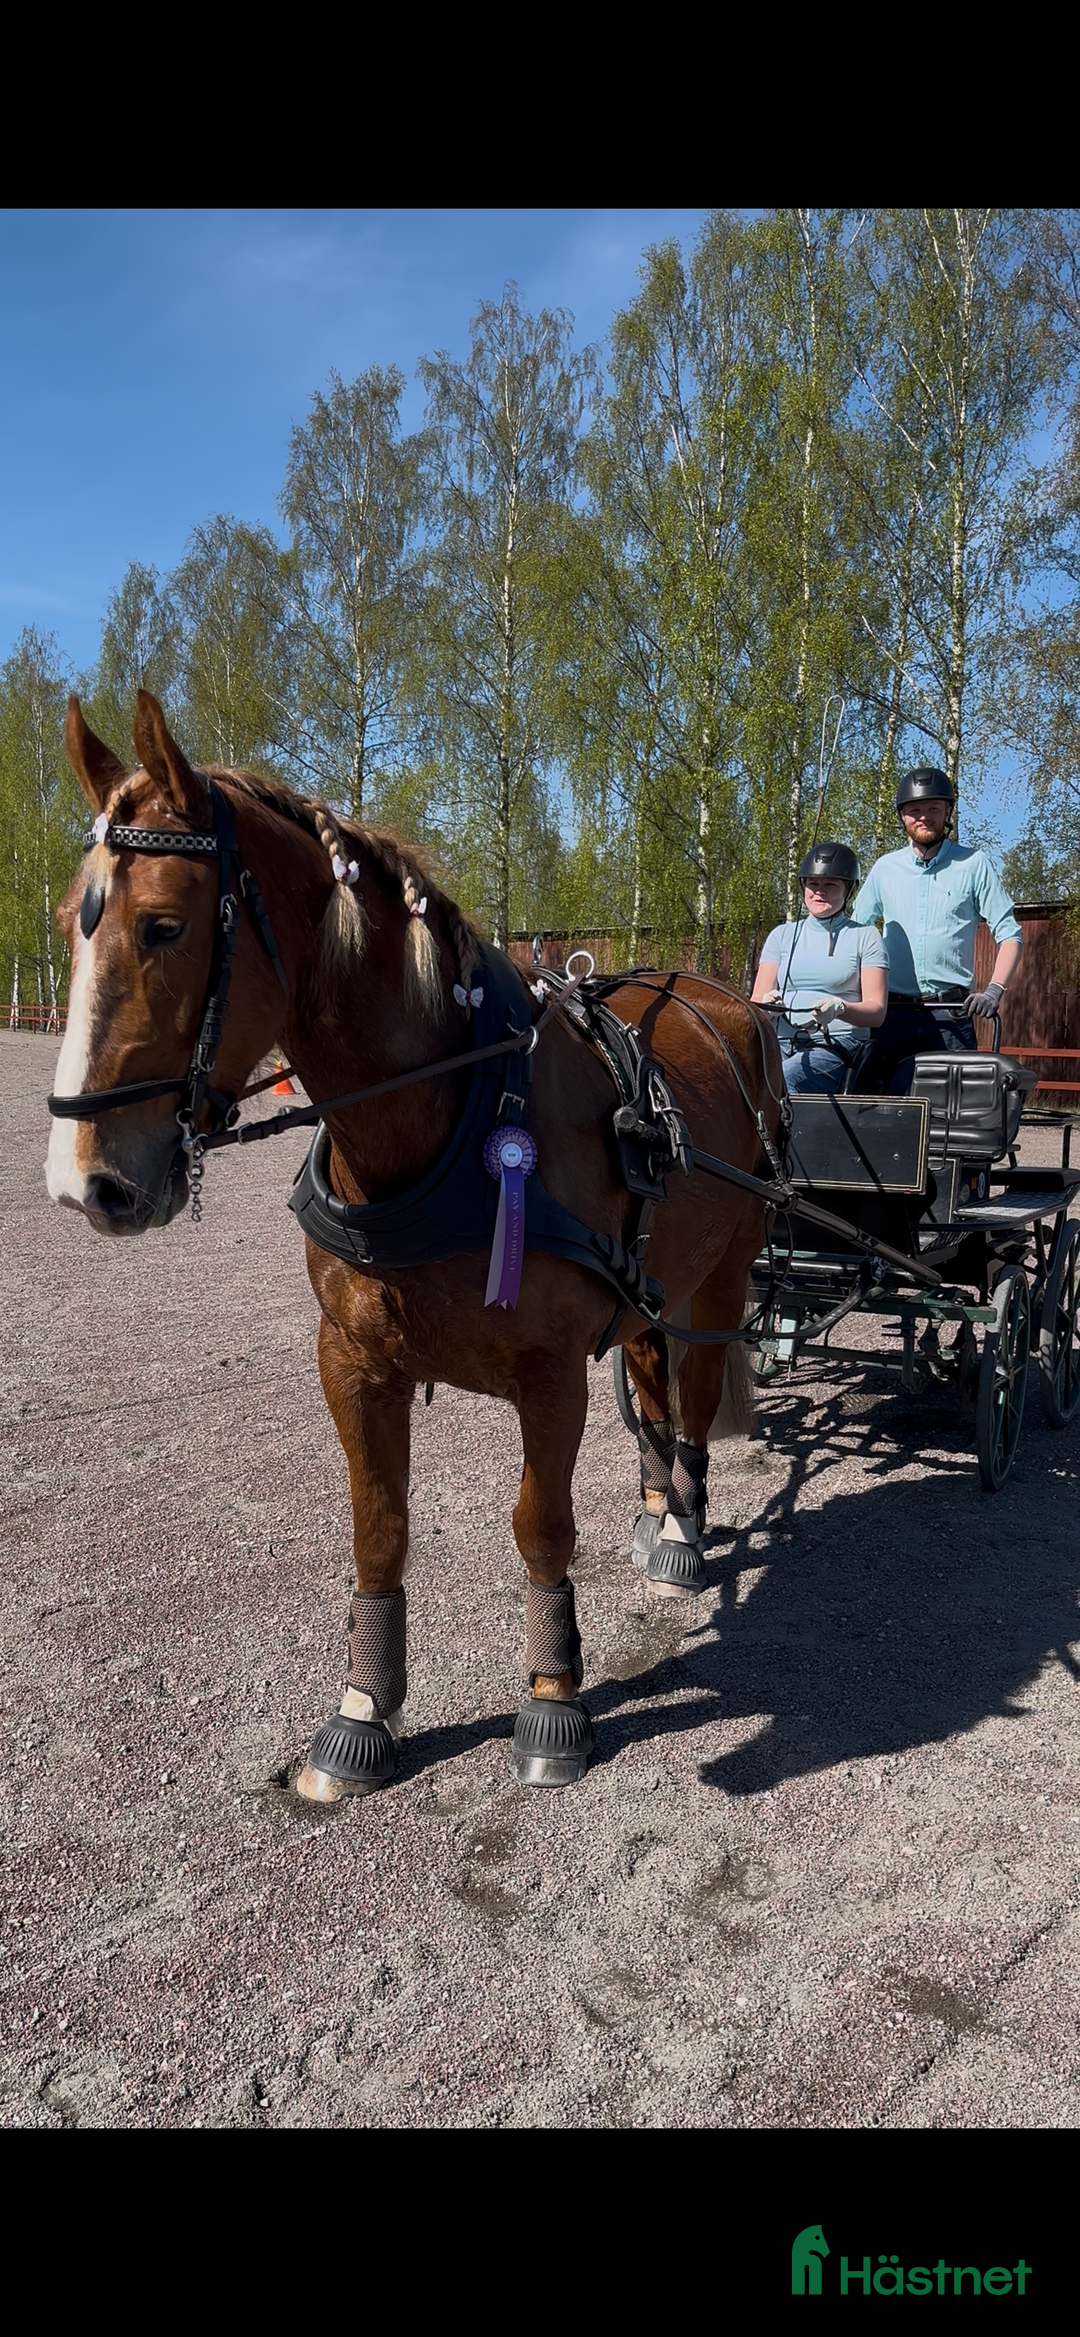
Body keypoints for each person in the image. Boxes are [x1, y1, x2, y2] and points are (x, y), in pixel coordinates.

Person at [849, 769, 1022, 1093]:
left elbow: (1010, 934)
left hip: (951, 1016)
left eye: (933, 808)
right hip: (891, 1015)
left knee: (952, 1120)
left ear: (948, 812)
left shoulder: (974, 864)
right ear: (902, 815)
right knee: (883, 1117)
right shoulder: (885, 869)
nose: (924, 817)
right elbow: (856, 935)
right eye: (915, 810)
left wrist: (994, 991)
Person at [752, 841, 888, 1094]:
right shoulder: (782, 935)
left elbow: (877, 1012)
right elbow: (757, 1002)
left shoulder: (866, 937)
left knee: (783, 1082)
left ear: (849, 890)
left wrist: (840, 1009)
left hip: (837, 1044)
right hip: (780, 1042)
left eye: (830, 885)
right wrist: (767, 1007)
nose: (819, 892)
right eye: (813, 884)